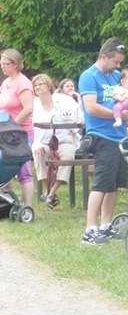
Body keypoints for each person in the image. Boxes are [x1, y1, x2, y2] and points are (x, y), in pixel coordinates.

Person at [78, 37, 128, 245]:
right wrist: (117, 115)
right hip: (102, 135)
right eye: (115, 61)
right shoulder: (89, 76)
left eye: (120, 62)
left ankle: (106, 225)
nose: (118, 66)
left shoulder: (115, 76)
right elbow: (91, 107)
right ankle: (90, 229)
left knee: (114, 184)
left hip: (119, 136)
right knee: (101, 183)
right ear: (103, 56)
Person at [31, 74, 83, 209]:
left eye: (41, 84)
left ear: (49, 86)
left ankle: (51, 193)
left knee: (68, 156)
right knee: (39, 155)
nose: (38, 87)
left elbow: (79, 115)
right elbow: (33, 128)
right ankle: (50, 193)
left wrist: (74, 130)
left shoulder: (64, 100)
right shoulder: (35, 104)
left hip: (64, 139)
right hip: (44, 141)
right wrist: (37, 145)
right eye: (35, 85)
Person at [0, 49, 34, 207]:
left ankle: (28, 206)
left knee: (23, 171)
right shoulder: (6, 83)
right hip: (5, 134)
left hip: (21, 134)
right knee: (5, 169)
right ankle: (6, 204)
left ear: (15, 64)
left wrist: (12, 125)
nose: (2, 67)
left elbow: (28, 108)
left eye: (5, 64)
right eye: (1, 64)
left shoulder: (23, 83)